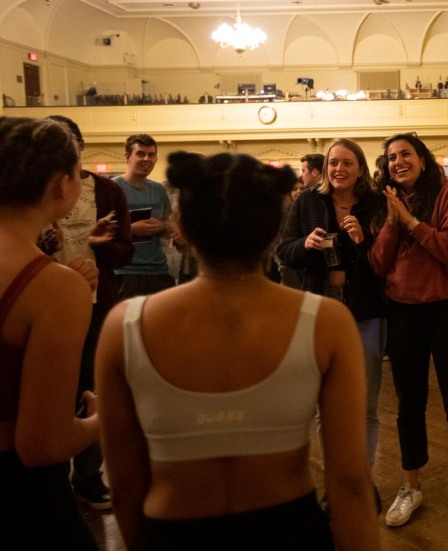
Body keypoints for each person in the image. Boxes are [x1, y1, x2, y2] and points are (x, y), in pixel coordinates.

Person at [96, 152, 378, 550]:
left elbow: (124, 486)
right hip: (289, 529)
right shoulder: (326, 323)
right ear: (272, 229)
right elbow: (349, 483)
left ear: (181, 227)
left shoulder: (126, 324)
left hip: (172, 530)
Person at [369, 133, 448, 531]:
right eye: (392, 157)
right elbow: (379, 263)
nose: (398, 161)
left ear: (421, 159)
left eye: (406, 154)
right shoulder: (388, 202)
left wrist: (411, 222)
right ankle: (410, 486)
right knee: (408, 404)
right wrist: (391, 221)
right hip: (403, 311)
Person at [0, 116, 101, 549]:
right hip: (17, 496)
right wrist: (103, 419)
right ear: (62, 185)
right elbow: (42, 443)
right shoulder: (54, 287)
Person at [276, 138, 387, 511]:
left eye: (346, 163)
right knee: (327, 406)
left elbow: (383, 263)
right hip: (321, 310)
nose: (338, 169)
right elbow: (283, 252)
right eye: (333, 163)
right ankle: (336, 484)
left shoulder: (375, 204)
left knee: (367, 403)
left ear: (360, 168)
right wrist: (305, 245)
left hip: (365, 308)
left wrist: (361, 242)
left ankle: (362, 479)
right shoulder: (308, 201)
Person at [47, 115, 135, 511]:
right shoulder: (34, 191)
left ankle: (87, 476)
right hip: (46, 303)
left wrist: (100, 245)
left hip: (97, 305)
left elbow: (125, 251)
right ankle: (49, 475)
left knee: (92, 386)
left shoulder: (106, 191)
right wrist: (43, 243)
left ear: (81, 148)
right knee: (51, 387)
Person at [113, 133, 175, 298]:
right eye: (140, 154)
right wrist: (130, 229)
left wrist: (162, 226)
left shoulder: (158, 190)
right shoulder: (113, 188)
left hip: (158, 270)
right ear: (128, 157)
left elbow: (170, 227)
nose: (146, 159)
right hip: (124, 271)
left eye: (151, 154)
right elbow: (98, 230)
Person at [277, 179, 306, 289]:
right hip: (285, 259)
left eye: (302, 188)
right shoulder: (283, 210)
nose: (298, 191)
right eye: (294, 189)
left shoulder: (306, 209)